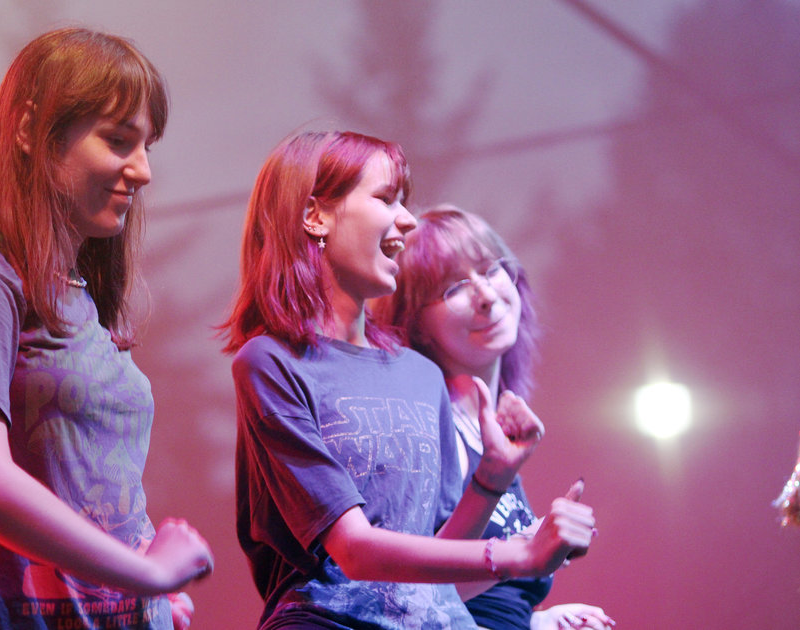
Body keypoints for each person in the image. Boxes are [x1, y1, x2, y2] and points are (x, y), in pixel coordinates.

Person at [0, 27, 212, 629]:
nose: (143, 170)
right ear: (29, 130)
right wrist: (146, 574)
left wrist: (148, 584)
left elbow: (87, 487)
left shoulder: (80, 297)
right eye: (118, 140)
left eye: (147, 146)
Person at [221, 130, 597, 629]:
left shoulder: (420, 375)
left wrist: (491, 477)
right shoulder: (272, 363)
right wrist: (521, 554)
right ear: (315, 216)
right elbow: (353, 551)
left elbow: (433, 577)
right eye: (385, 199)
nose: (407, 219)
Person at [372, 205, 614, 630]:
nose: (485, 294)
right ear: (417, 324)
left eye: (490, 269)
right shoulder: (423, 427)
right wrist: (528, 547)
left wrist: (537, 622)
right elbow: (408, 601)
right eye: (453, 287)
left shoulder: (487, 431)